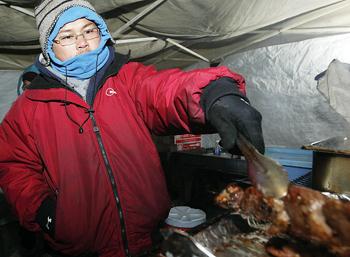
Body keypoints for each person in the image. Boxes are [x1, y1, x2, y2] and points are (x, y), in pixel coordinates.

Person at [0, 0, 264, 256]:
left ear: (101, 32)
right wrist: (44, 211)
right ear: (48, 46)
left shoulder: (126, 78)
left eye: (89, 30)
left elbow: (164, 90)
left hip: (148, 240)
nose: (82, 43)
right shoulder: (29, 107)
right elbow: (13, 165)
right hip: (80, 248)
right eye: (67, 36)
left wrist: (213, 93)